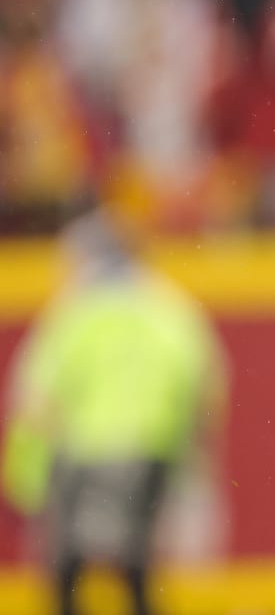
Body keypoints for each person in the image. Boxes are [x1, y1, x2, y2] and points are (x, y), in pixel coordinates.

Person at [0, 206, 226, 615]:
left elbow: (35, 399)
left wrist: (26, 479)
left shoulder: (75, 312)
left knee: (66, 572)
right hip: (150, 451)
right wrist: (190, 466)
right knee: (136, 567)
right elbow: (204, 386)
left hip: (81, 453)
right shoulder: (169, 308)